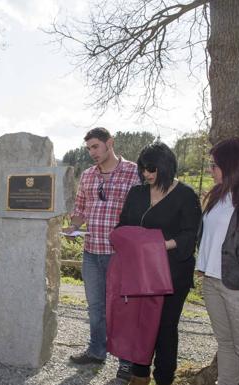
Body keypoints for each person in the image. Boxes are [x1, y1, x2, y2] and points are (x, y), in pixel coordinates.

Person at [117, 142, 201, 385]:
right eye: (143, 169)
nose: (146, 174)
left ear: (166, 167)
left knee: (165, 327)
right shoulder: (137, 193)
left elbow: (190, 234)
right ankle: (139, 375)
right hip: (141, 272)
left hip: (172, 273)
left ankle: (164, 377)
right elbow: (123, 224)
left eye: (151, 169)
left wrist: (162, 245)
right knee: (141, 323)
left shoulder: (185, 195)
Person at [65, 127, 140, 381]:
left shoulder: (132, 172)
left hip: (119, 255)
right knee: (95, 307)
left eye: (95, 147)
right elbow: (80, 208)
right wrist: (73, 226)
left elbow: (141, 212)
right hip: (91, 252)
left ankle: (127, 363)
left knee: (121, 308)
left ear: (110, 143)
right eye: (88, 149)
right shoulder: (87, 175)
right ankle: (97, 351)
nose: (92, 153)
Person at [197, 137, 239, 385]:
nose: (211, 170)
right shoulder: (218, 195)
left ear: (232, 166)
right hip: (211, 280)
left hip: (238, 286)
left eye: (215, 165)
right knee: (225, 343)